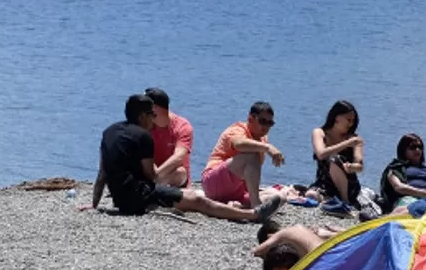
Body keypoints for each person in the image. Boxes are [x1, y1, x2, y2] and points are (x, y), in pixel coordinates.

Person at [85, 94, 282, 224]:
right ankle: (251, 215)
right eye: (151, 115)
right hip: (140, 198)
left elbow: (102, 171)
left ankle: (248, 209)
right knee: (197, 201)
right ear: (142, 116)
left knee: (191, 197)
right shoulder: (142, 136)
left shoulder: (109, 131)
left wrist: (95, 204)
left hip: (120, 199)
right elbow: (151, 175)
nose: (154, 120)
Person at [203, 102, 285, 210]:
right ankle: (256, 206)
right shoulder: (237, 130)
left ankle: (237, 205)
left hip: (237, 190)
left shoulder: (262, 139)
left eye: (270, 123)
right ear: (251, 118)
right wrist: (267, 147)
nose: (266, 126)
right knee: (251, 155)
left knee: (280, 197)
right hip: (213, 182)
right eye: (262, 121)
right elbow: (239, 144)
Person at [310, 100, 363, 212]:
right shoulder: (319, 132)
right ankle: (331, 200)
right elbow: (321, 154)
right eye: (348, 120)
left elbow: (360, 165)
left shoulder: (354, 138)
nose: (351, 124)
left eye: (353, 121)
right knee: (311, 195)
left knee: (334, 160)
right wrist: (346, 143)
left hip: (348, 184)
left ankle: (345, 202)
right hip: (324, 182)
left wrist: (352, 167)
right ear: (337, 118)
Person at [379, 134, 426, 212]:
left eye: (420, 147)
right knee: (413, 206)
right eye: (413, 147)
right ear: (403, 150)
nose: (417, 150)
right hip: (407, 199)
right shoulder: (395, 168)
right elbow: (399, 187)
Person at [145, 87, 193, 188]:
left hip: (173, 177)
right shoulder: (144, 125)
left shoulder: (182, 126)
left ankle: (152, 186)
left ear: (154, 108)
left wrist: (156, 176)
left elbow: (179, 157)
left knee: (180, 172)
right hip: (151, 173)